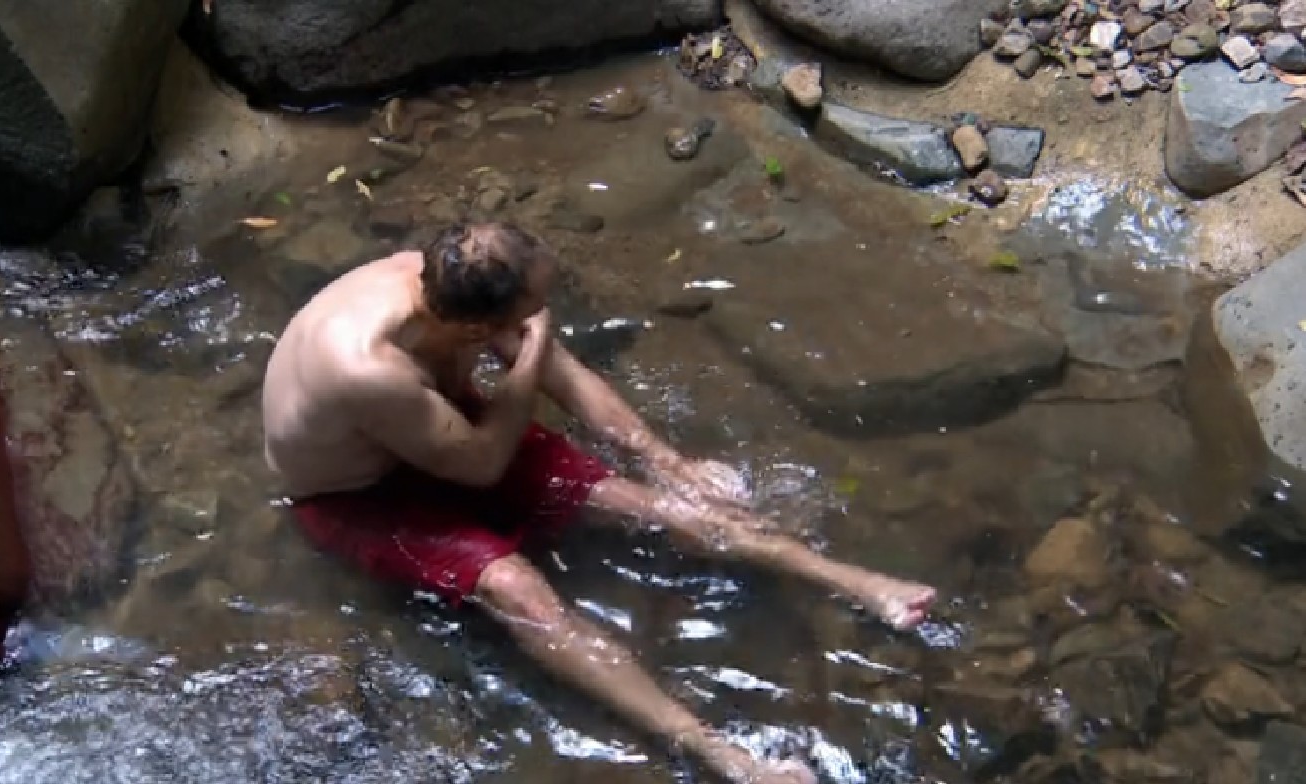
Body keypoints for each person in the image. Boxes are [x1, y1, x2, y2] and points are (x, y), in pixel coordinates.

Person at [261, 222, 936, 784]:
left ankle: (849, 581)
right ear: (479, 329)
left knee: (652, 507)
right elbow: (482, 463)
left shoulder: (445, 282)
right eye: (532, 313)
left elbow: (568, 380)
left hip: (445, 429)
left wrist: (667, 463)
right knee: (518, 590)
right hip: (361, 495)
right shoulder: (366, 364)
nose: (541, 321)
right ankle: (717, 752)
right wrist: (527, 361)